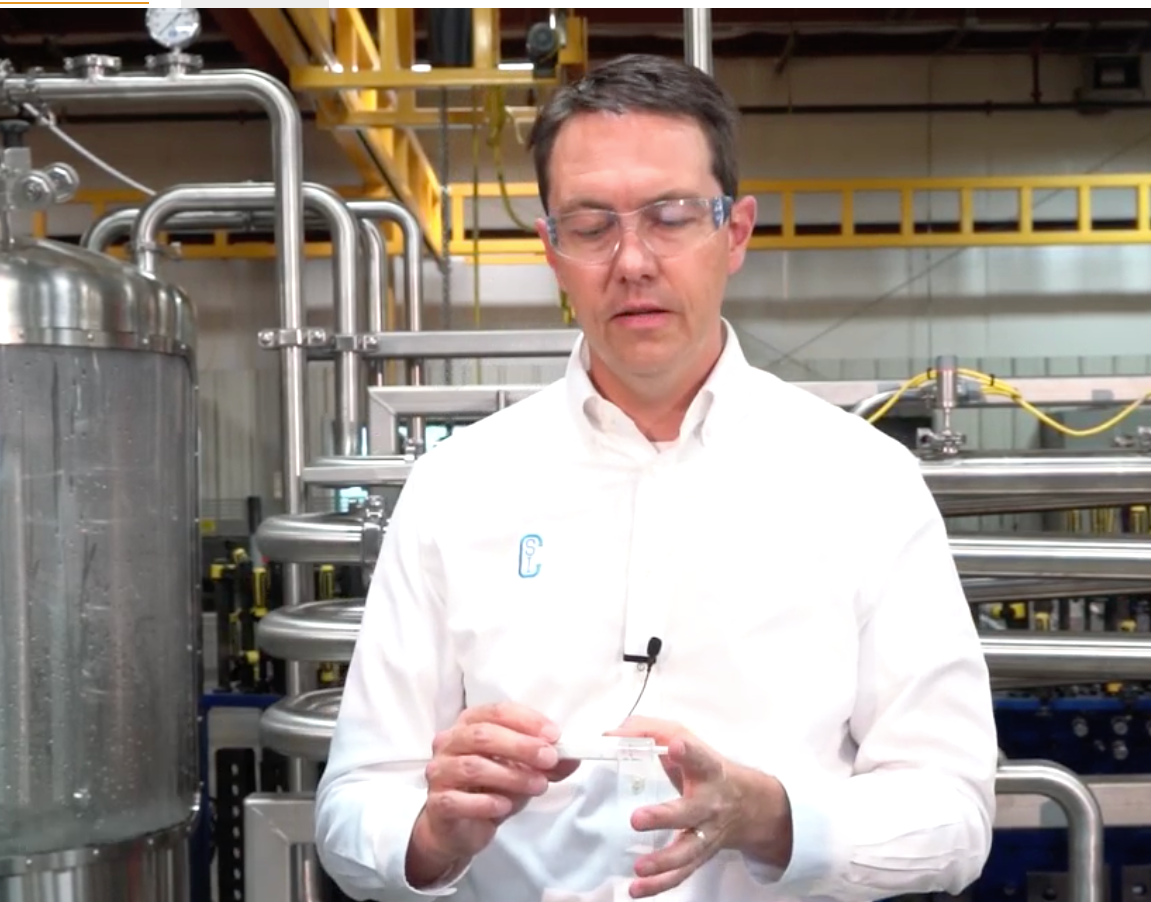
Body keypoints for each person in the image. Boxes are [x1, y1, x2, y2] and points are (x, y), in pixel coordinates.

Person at [313, 53, 997, 902]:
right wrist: (428, 835)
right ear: (553, 251)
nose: (632, 261)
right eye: (592, 225)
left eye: (671, 217)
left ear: (736, 232)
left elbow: (954, 813)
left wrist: (775, 817)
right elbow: (352, 802)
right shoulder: (458, 489)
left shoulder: (863, 483)